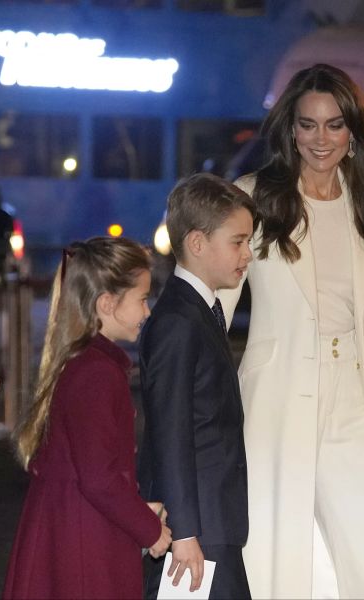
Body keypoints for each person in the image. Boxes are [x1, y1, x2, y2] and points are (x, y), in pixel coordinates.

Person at [216, 63, 364, 598]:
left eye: (334, 124)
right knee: (277, 550)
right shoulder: (252, 198)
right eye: (308, 125)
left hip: (351, 398)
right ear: (291, 129)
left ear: (352, 131)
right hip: (276, 395)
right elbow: (216, 305)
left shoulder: (363, 203)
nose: (320, 139)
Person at [3, 237, 172, 600]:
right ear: (107, 303)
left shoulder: (86, 364)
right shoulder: (96, 373)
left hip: (73, 529)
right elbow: (98, 477)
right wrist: (149, 529)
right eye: (141, 299)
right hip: (84, 543)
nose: (147, 312)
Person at [139, 173, 255, 600]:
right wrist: (185, 531)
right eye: (238, 242)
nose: (248, 254)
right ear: (197, 243)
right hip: (198, 527)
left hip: (212, 517)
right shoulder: (177, 322)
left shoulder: (200, 311)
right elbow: (170, 431)